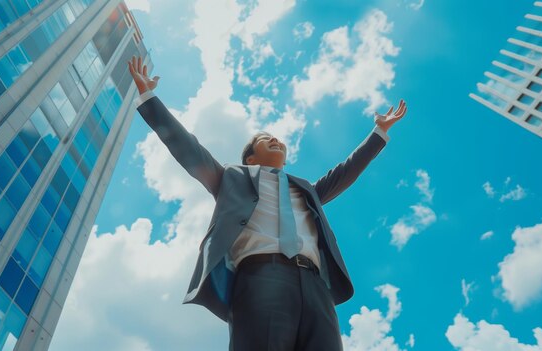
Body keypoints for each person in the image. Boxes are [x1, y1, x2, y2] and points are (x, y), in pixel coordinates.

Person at [127, 55, 407, 350]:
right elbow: (188, 148)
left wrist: (379, 133)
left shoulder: (306, 190)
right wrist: (148, 96)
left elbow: (345, 171)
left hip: (315, 286)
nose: (275, 139)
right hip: (262, 276)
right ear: (250, 157)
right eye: (265, 138)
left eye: (278, 139)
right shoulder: (230, 178)